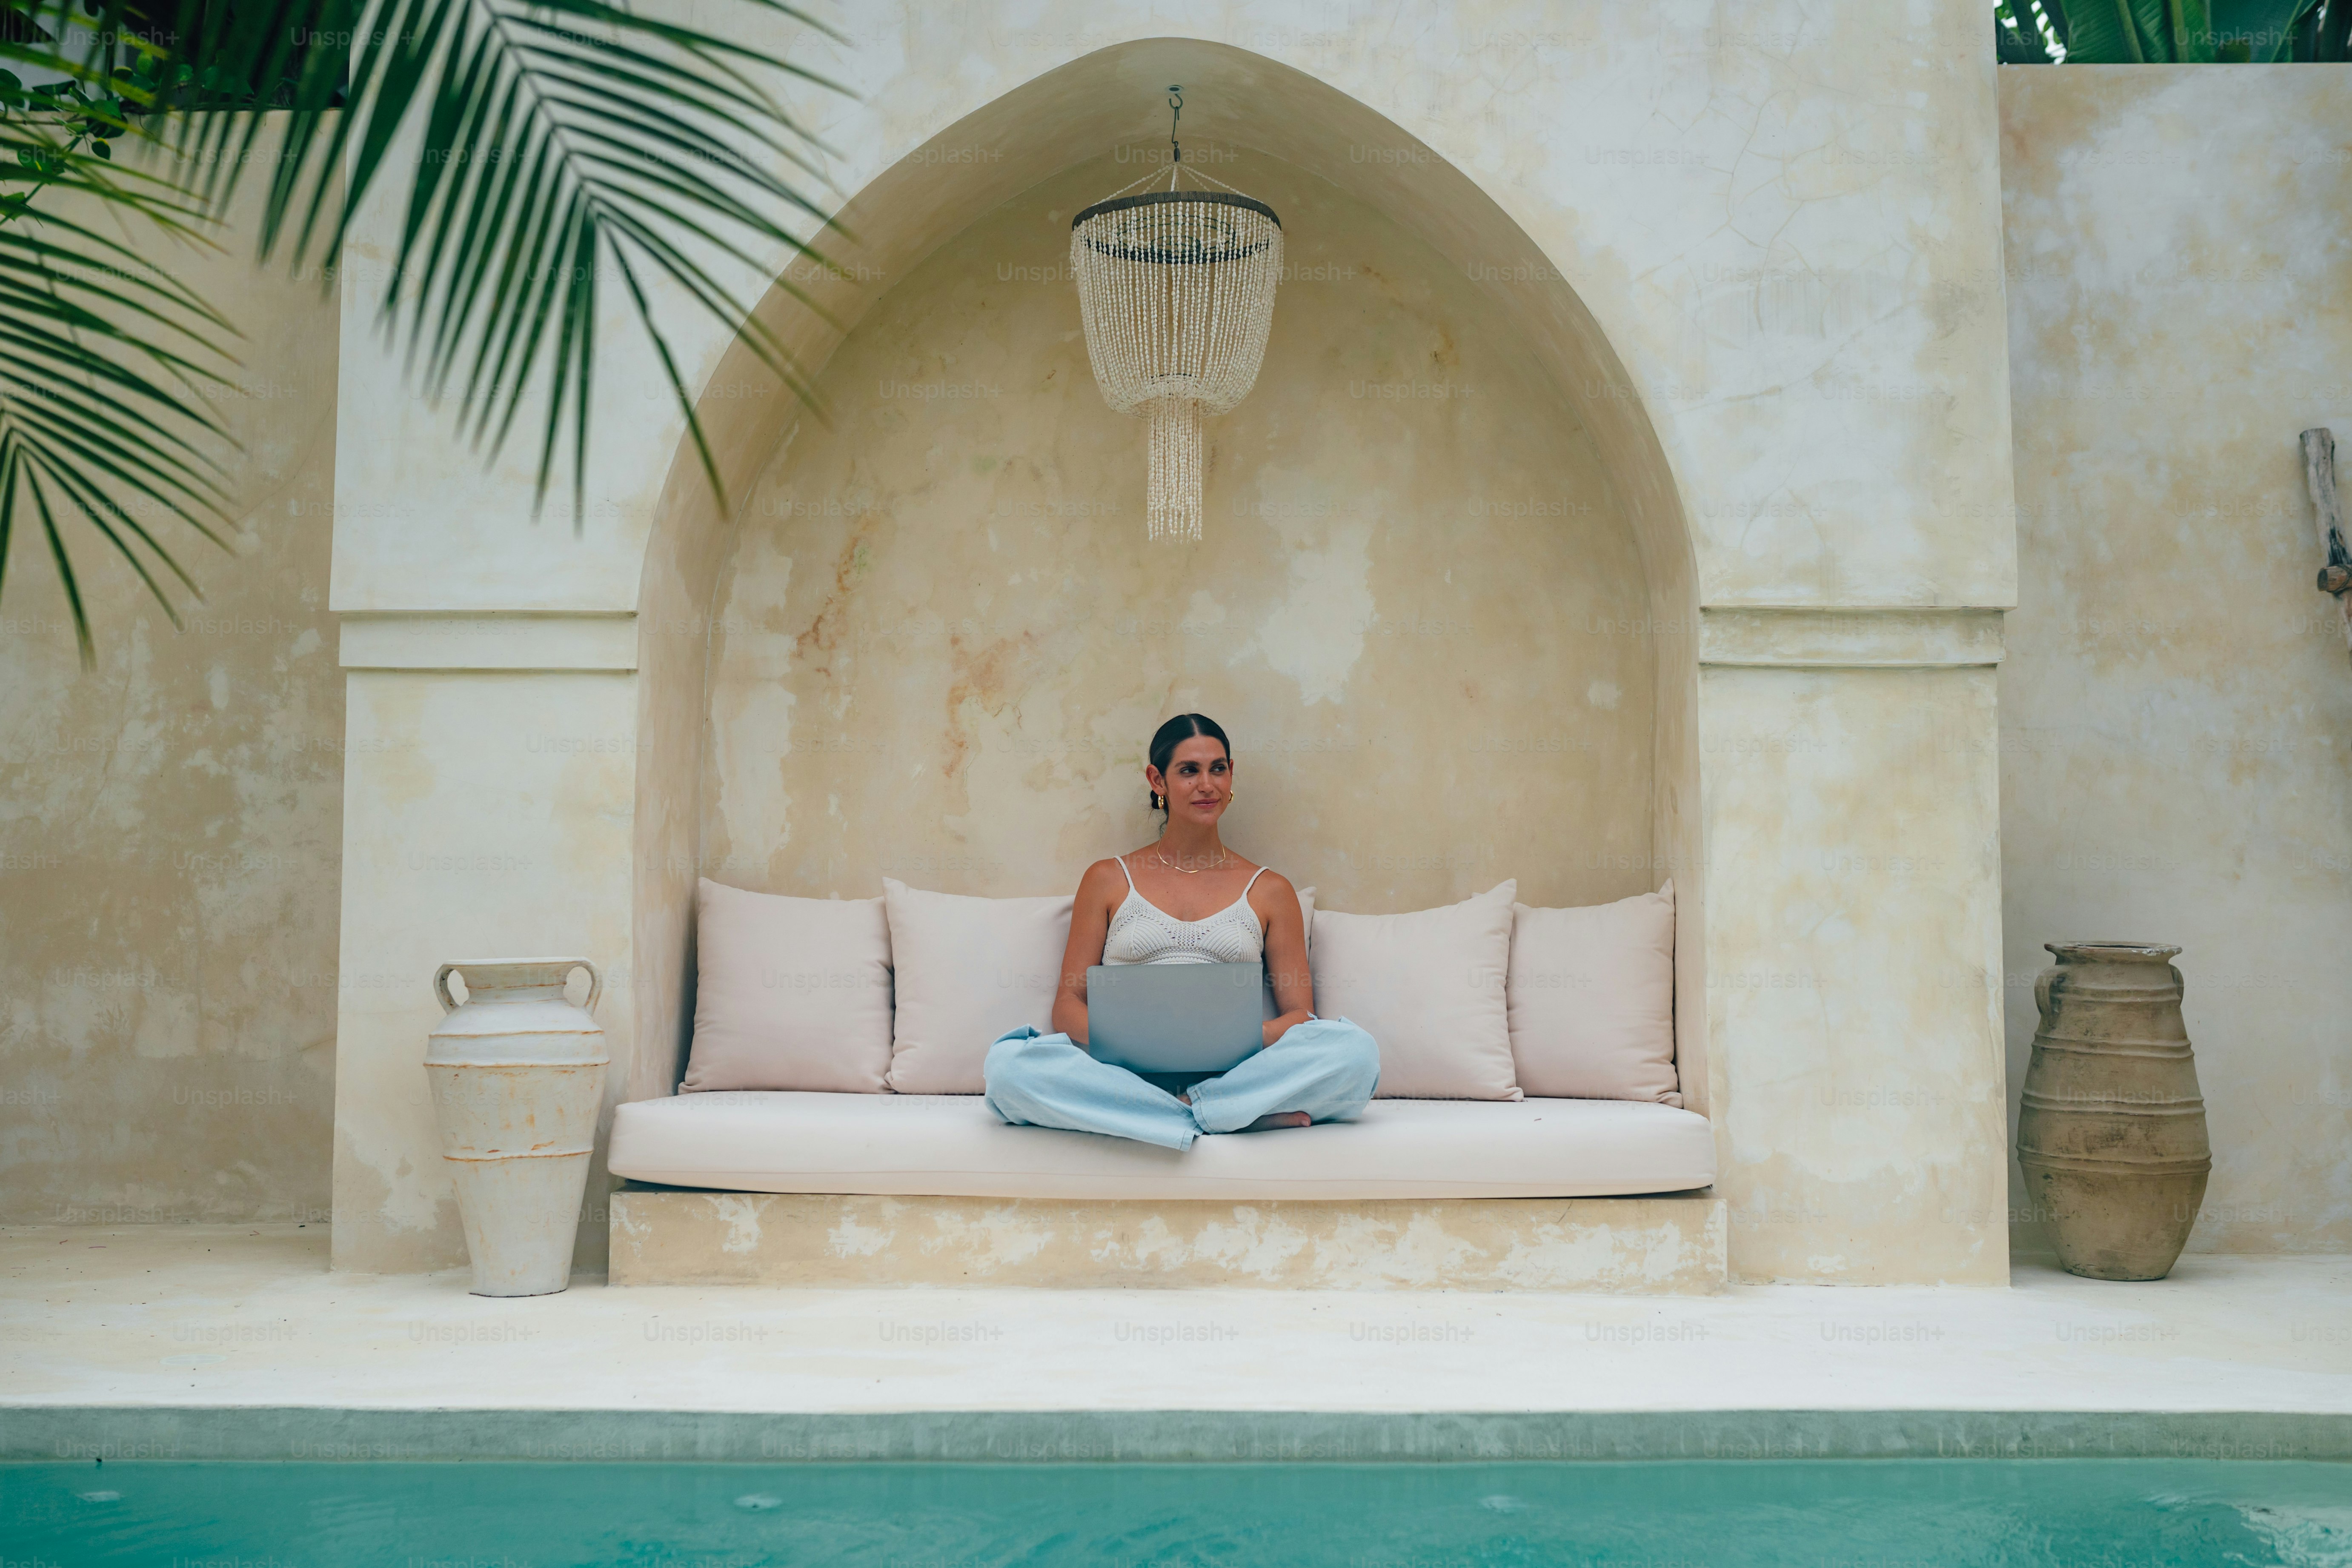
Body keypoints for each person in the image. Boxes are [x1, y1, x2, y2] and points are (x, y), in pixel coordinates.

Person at [982, 713, 1381, 1149]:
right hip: (1125, 1075)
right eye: (1189, 771)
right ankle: (1220, 1118)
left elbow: (1302, 1017)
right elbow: (1067, 1006)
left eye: (1218, 769)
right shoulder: (1107, 879)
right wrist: (1134, 1038)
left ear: (1231, 775)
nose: (1207, 785)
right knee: (1008, 1067)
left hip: (1237, 1073)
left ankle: (1183, 1110)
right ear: (1158, 780)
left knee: (1356, 1053)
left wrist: (1241, 1036)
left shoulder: (1270, 890)